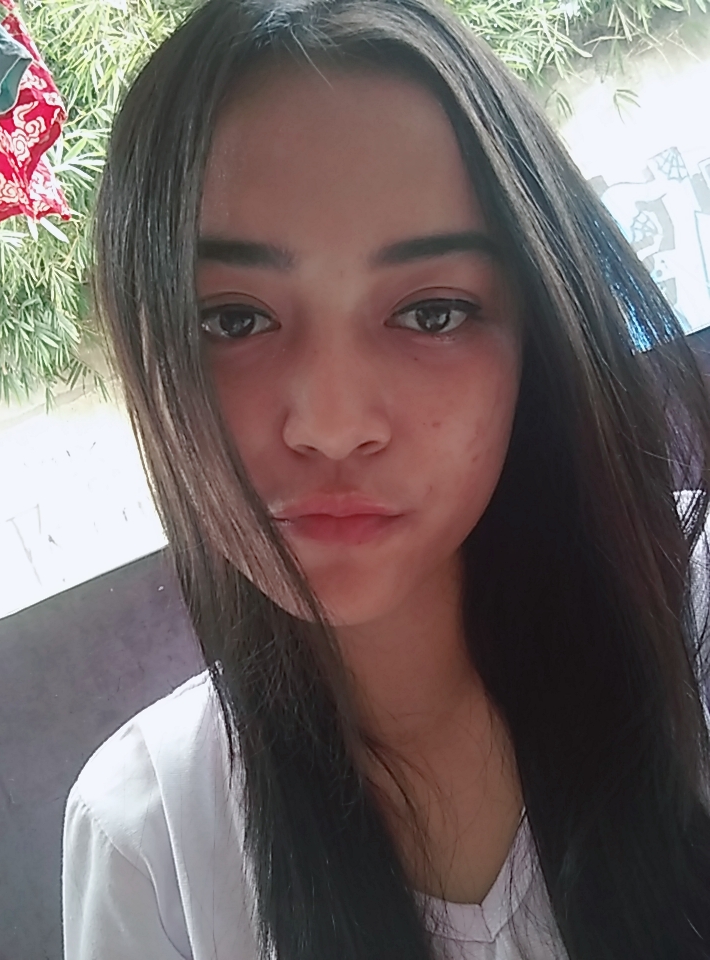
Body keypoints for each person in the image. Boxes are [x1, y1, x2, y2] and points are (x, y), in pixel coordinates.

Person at [61, 1, 710, 958]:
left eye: (433, 313)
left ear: (536, 331)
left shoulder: (694, 614)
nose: (332, 425)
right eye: (233, 321)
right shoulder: (149, 846)